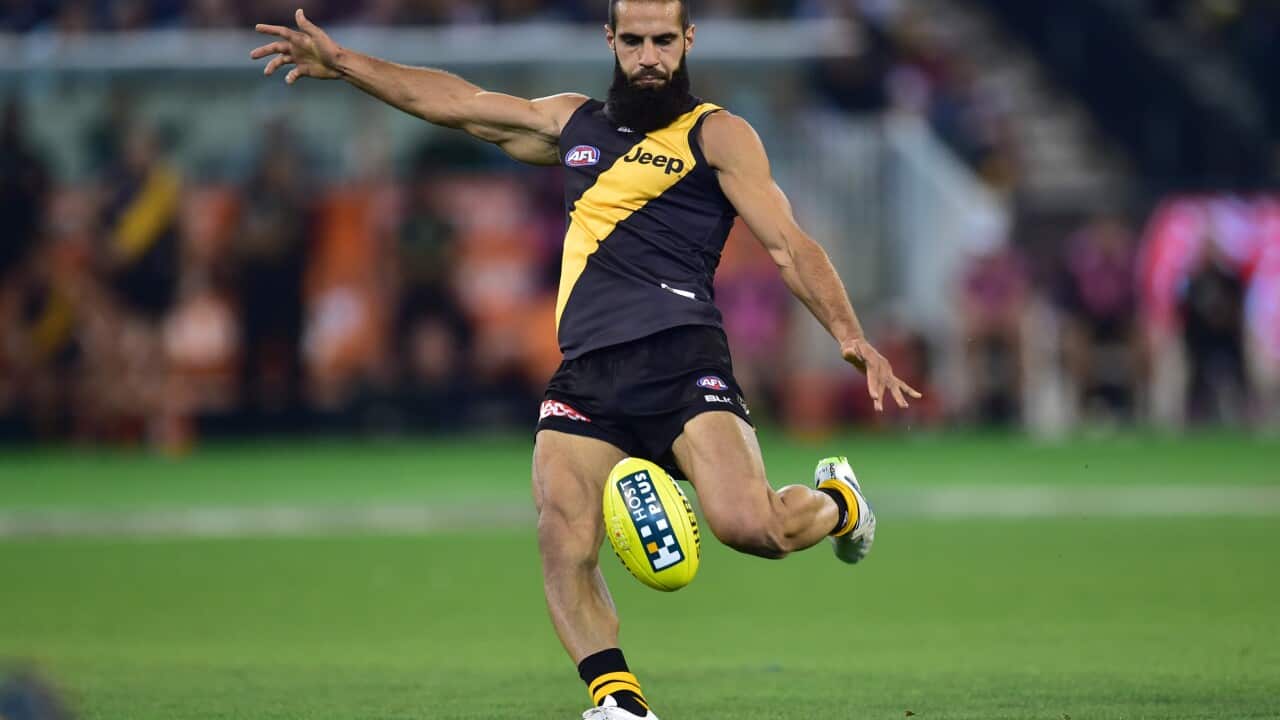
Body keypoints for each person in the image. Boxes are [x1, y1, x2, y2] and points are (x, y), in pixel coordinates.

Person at [251, 4, 920, 718]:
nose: (650, 56)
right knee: (561, 528)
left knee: (755, 529)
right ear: (612, 42)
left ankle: (842, 501)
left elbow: (789, 245)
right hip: (589, 375)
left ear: (687, 40)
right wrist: (346, 63)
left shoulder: (717, 134)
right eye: (634, 41)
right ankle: (618, 700)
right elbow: (457, 104)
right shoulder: (573, 124)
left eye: (664, 40)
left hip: (682, 360)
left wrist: (848, 333)